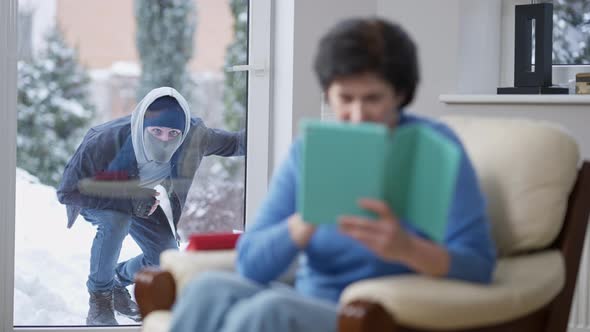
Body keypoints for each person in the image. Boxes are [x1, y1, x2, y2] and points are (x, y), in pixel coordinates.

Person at [170, 18, 497, 332]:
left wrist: (406, 248)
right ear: (329, 94)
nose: (357, 116)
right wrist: (303, 223)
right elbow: (251, 265)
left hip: (379, 317)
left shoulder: (435, 149)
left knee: (268, 313)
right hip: (308, 301)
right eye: (345, 99)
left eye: (373, 99)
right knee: (206, 290)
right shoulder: (310, 152)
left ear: (399, 94)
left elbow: (478, 266)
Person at [56, 87, 245, 325]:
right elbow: (67, 192)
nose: (164, 139)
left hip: (143, 199)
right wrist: (129, 198)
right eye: (156, 131)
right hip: (98, 196)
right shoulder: (105, 140)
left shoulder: (194, 137)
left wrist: (275, 130)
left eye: (172, 133)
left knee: (165, 257)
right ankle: (100, 300)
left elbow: (234, 143)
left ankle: (115, 280)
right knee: (117, 221)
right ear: (142, 125)